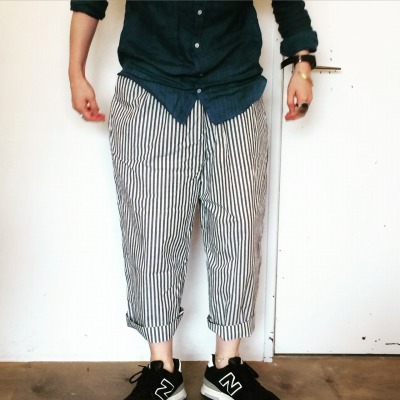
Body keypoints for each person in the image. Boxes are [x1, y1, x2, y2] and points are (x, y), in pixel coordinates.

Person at [68, 1, 317, 399]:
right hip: (152, 94)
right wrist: (76, 73)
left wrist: (302, 67)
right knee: (152, 233)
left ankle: (226, 368)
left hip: (236, 94)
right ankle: (162, 371)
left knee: (239, 230)